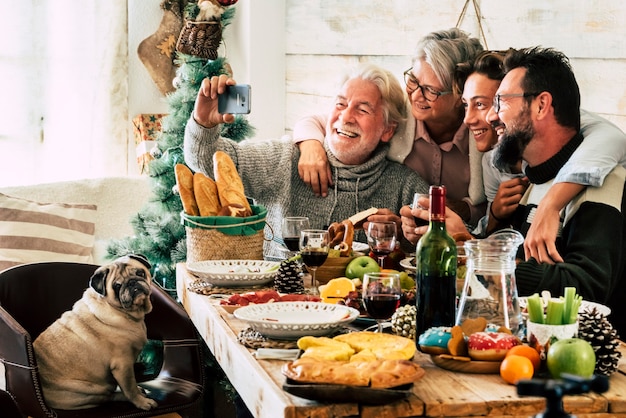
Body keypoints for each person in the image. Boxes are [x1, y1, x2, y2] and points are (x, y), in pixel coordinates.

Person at [439, 47, 626, 336]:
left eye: (500, 102)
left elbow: (590, 286)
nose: (491, 116)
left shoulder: (601, 183)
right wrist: (468, 244)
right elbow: (520, 263)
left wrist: (492, 268)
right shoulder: (531, 181)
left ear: (541, 105)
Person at [183, 63, 429, 259]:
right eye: (340, 104)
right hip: (272, 306)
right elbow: (207, 163)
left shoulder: (404, 186)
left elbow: (441, 245)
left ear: (387, 129)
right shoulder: (286, 158)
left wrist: (405, 238)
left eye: (362, 110)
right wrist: (204, 123)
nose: (346, 117)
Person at [403, 51, 626, 262]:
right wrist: (492, 218)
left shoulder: (592, 155)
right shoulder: (493, 163)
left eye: (485, 103)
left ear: (540, 104)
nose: (471, 118)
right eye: (465, 105)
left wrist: (551, 204)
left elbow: (612, 139)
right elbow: (514, 259)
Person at [294, 28, 487, 227]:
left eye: (431, 90)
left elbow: (490, 208)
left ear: (460, 94)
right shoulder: (400, 111)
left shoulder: (484, 132)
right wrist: (310, 146)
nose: (416, 95)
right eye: (413, 80)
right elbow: (322, 121)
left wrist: (460, 209)